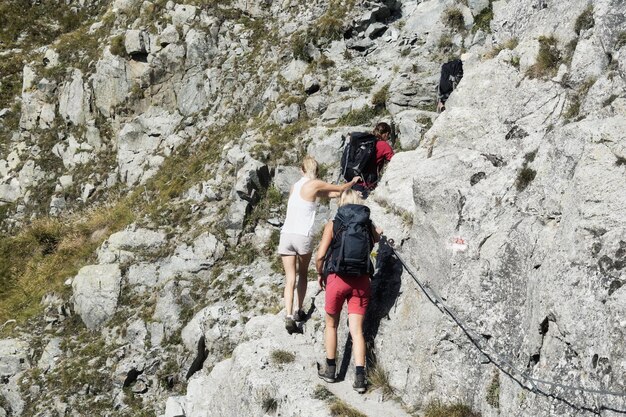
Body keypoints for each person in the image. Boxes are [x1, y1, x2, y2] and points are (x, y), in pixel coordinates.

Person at [278, 156, 360, 334]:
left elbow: (329, 194)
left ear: (301, 170)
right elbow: (338, 189)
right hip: (302, 236)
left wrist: (339, 192)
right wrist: (353, 182)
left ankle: (288, 315)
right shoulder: (314, 183)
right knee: (303, 274)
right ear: (316, 171)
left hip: (286, 235)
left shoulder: (295, 186)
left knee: (289, 278)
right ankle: (299, 310)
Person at [315, 189, 382, 393]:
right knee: (357, 331)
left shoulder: (333, 225)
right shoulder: (366, 225)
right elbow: (378, 239)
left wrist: (321, 273)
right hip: (361, 282)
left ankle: (331, 369)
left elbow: (320, 256)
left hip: (337, 279)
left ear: (342, 203)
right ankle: (360, 378)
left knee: (331, 325)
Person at [352, 122, 394, 197]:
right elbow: (395, 161)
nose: (388, 138)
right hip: (365, 186)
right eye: (389, 136)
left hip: (351, 182)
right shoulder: (383, 145)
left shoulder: (366, 142)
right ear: (386, 134)